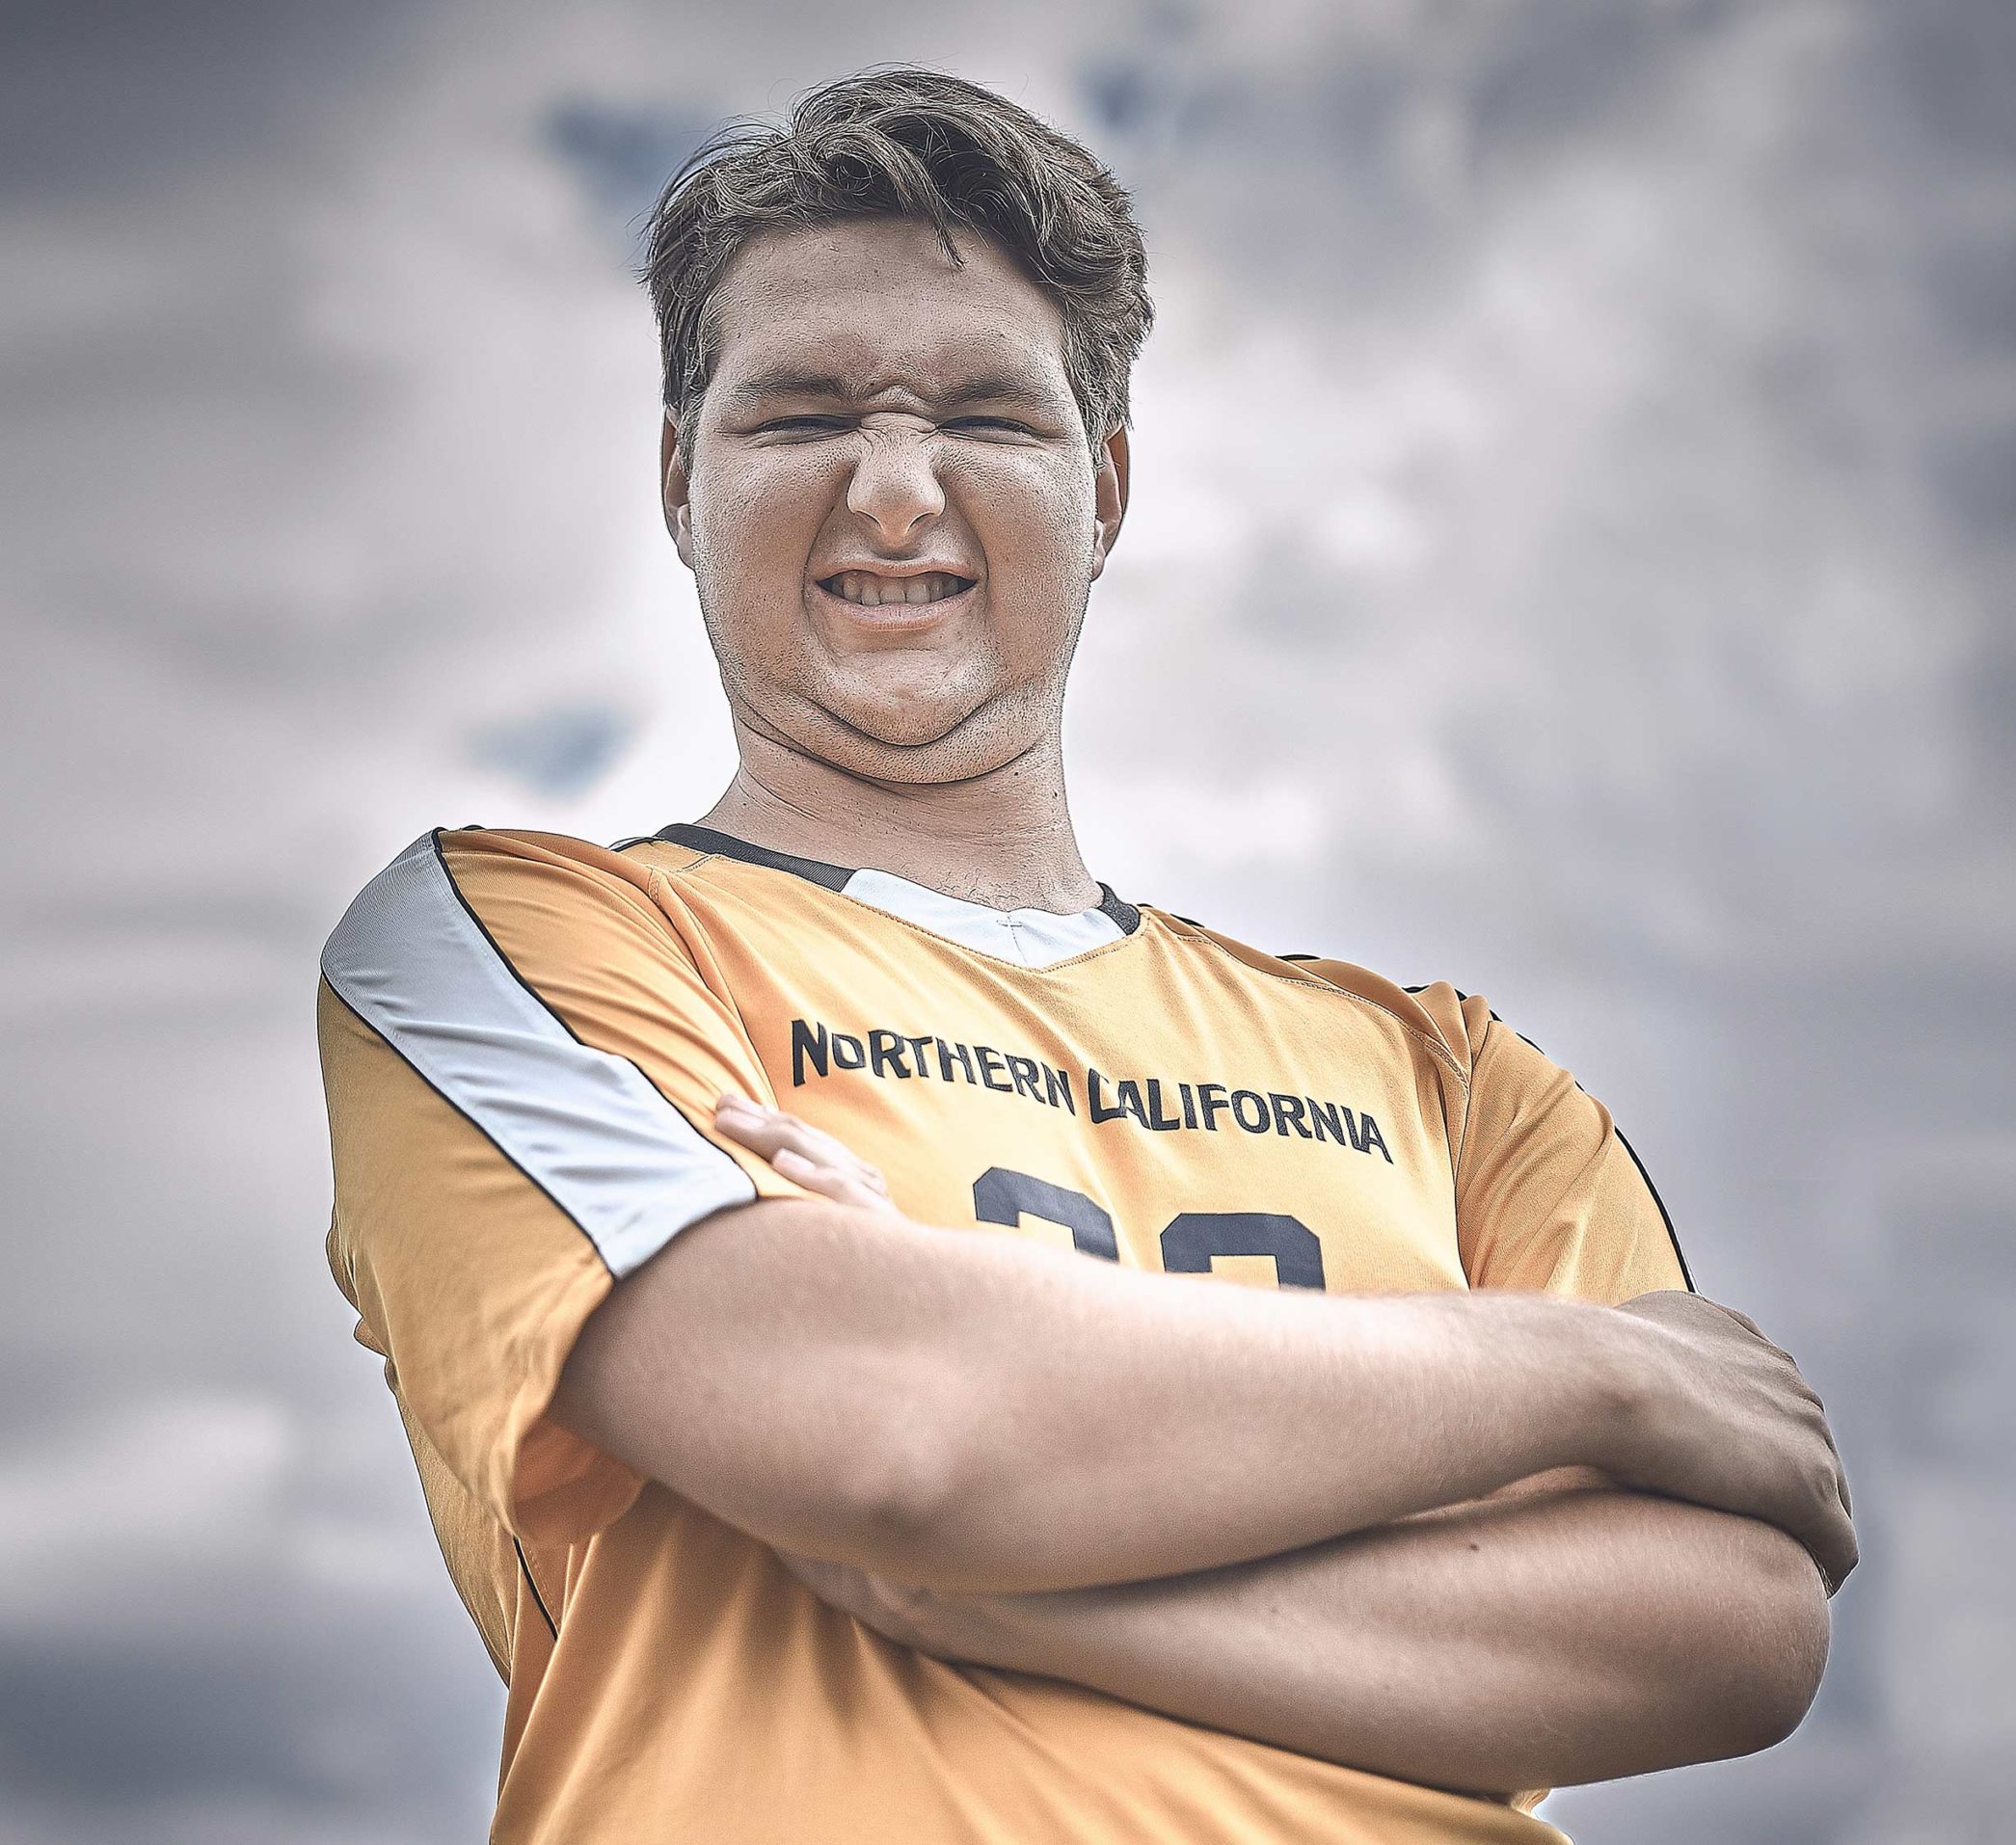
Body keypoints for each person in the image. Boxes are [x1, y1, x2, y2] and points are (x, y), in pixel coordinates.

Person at [316, 67, 1854, 1845]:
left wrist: (1001, 1587)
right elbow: (885, 1423)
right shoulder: (520, 940)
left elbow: (1730, 1625)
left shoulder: (1450, 1075)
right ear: (678, 478)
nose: (894, 493)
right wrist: (1597, 1371)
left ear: (1105, 486)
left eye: (985, 416)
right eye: (801, 415)